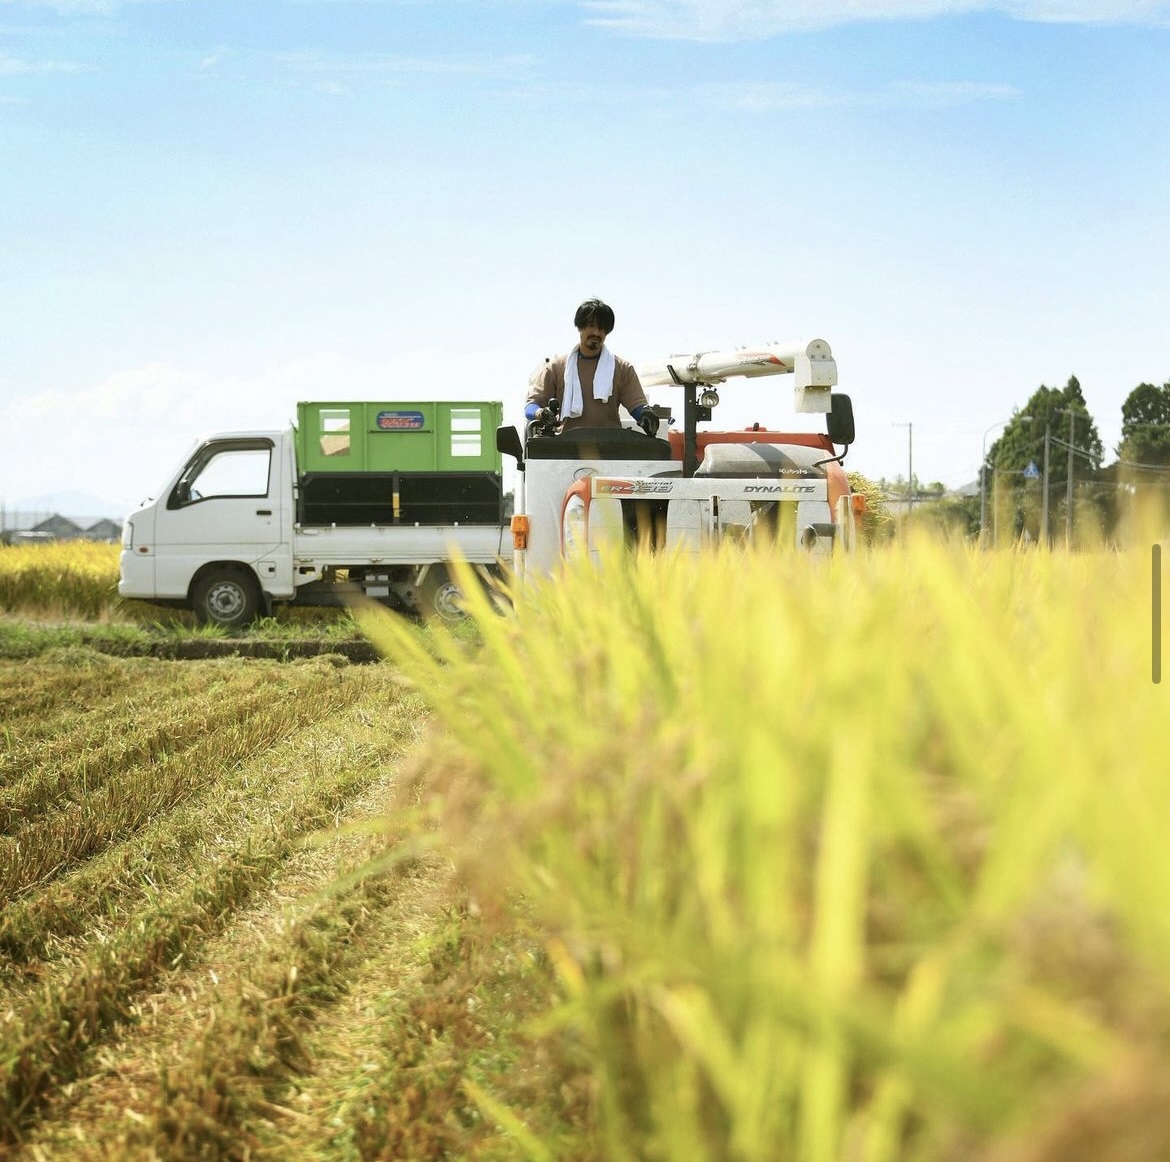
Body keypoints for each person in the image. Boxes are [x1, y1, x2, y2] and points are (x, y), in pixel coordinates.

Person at [524, 299, 660, 436]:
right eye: (591, 326)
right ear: (580, 327)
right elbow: (531, 406)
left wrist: (645, 415)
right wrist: (540, 413)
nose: (596, 332)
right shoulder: (555, 368)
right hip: (565, 449)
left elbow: (637, 406)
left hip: (611, 449)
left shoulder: (622, 369)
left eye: (602, 328)